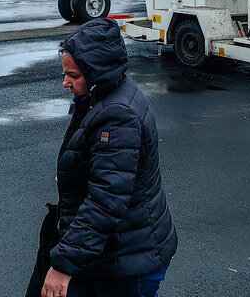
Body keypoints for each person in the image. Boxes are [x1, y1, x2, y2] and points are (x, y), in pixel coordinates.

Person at [41, 18, 177, 297]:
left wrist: (63, 265)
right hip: (118, 251)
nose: (65, 82)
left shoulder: (117, 117)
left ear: (96, 72)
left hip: (128, 262)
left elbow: (106, 202)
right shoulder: (103, 94)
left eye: (74, 76)